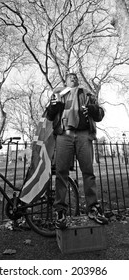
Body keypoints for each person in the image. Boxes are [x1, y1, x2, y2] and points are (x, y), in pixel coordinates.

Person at [46, 72, 108, 229]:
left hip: (83, 134)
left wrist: (93, 109)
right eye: (69, 77)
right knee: (61, 173)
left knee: (88, 172)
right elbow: (49, 116)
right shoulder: (58, 94)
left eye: (75, 77)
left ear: (77, 80)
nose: (73, 78)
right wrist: (55, 107)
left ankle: (93, 208)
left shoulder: (86, 93)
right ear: (65, 81)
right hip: (64, 135)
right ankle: (60, 211)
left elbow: (100, 114)